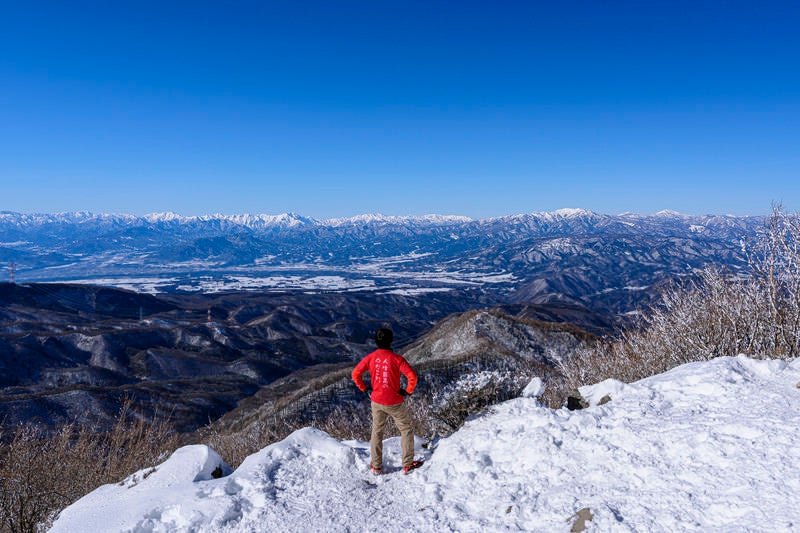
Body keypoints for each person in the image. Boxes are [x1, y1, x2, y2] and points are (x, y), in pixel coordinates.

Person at [351, 327, 423, 475]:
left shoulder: (371, 357)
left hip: (376, 401)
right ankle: (407, 464)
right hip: (395, 402)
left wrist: (364, 388)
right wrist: (407, 391)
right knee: (406, 430)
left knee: (377, 432)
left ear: (376, 341)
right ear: (391, 340)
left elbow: (355, 373)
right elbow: (412, 377)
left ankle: (376, 466)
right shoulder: (397, 359)